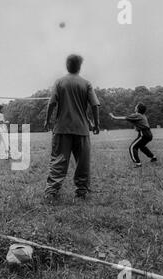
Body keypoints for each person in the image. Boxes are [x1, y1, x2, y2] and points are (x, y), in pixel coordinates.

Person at [43, 54, 100, 204]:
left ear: (67, 65)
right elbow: (94, 105)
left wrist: (47, 120)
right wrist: (96, 124)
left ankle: (51, 192)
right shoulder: (86, 83)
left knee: (58, 161)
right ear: (79, 67)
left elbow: (51, 103)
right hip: (81, 130)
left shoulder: (59, 82)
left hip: (62, 129)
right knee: (83, 162)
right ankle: (81, 192)